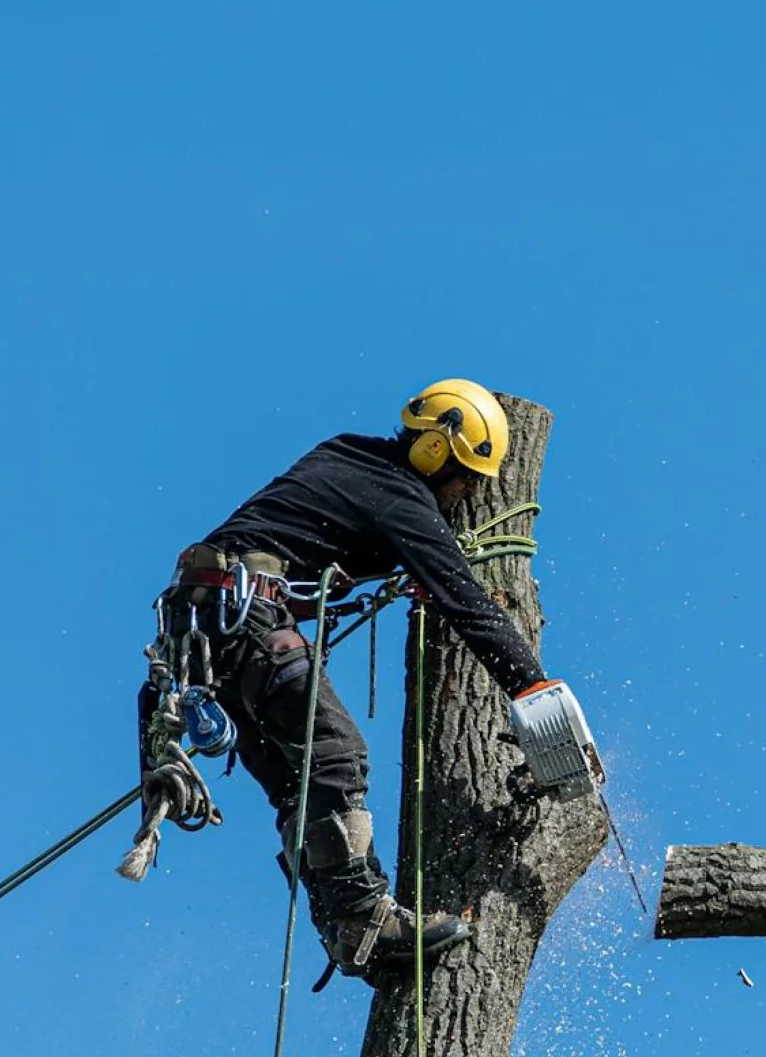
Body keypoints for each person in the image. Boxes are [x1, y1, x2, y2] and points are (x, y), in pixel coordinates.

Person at [137, 379, 561, 980]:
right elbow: (466, 601)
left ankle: (345, 930)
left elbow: (328, 539)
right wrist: (535, 690)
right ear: (435, 452)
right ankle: (364, 917)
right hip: (243, 620)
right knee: (336, 754)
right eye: (466, 478)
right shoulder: (398, 492)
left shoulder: (349, 456)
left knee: (299, 790)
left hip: (204, 635)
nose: (466, 496)